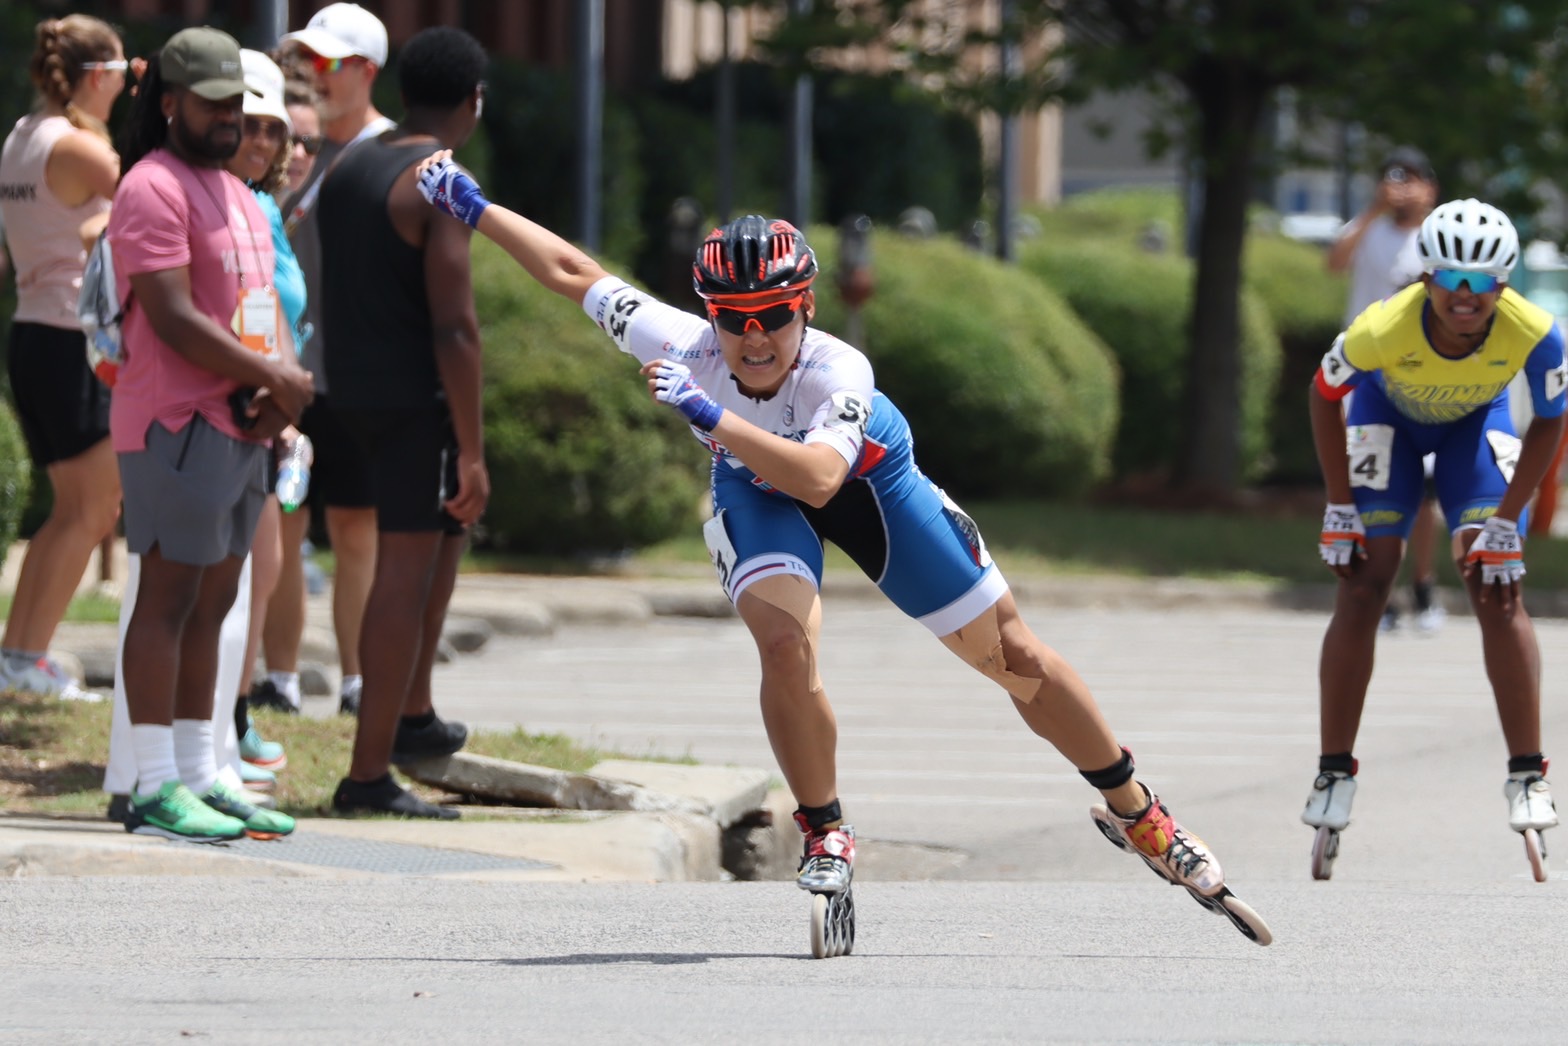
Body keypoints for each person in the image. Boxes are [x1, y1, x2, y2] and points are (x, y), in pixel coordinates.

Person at [410, 158, 1272, 943]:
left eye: (775, 317)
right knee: (785, 645)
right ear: (711, 315)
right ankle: (826, 831)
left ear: (805, 308)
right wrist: (475, 205)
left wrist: (713, 417)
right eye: (735, 320)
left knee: (1015, 657)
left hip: (866, 484)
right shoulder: (683, 346)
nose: (755, 338)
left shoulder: (837, 371)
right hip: (754, 486)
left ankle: (1140, 813)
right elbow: (576, 274)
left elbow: (822, 479)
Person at [1307, 198, 1564, 875]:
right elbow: (1323, 394)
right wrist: (1339, 507)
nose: (1465, 296)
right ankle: (1335, 771)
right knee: (1366, 581)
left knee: (1496, 583)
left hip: (1473, 431)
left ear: (1502, 286)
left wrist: (1508, 518)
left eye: (1482, 284)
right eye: (1452, 279)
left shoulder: (1538, 332)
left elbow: (1550, 420)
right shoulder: (1382, 326)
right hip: (1385, 420)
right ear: (1426, 278)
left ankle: (1528, 773)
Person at [107, 26, 311, 841]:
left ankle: (201, 770)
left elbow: (265, 305)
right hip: (174, 422)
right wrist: (274, 380)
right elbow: (172, 314)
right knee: (167, 600)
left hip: (242, 425)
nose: (230, 118)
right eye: (213, 103)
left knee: (217, 600)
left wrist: (285, 387)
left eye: (239, 103)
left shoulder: (237, 191)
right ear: (170, 104)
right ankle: (154, 785)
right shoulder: (150, 187)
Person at [322, 27, 486, 820]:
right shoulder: (439, 178)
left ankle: (412, 715)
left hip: (343, 395)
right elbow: (455, 325)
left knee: (437, 545)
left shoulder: (352, 162)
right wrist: (475, 449)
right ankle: (367, 775)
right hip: (410, 407)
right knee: (402, 577)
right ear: (472, 103)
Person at [265, 2, 395, 717]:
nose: (313, 75)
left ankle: (357, 682)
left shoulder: (397, 152)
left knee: (356, 531)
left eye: (328, 62)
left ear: (366, 71)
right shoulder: (282, 142)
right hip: (287, 376)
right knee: (281, 524)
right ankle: (279, 679)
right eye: (306, 60)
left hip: (365, 384)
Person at [0, 15, 127, 699]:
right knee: (94, 507)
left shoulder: (22, 137)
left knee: (74, 508)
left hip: (34, 336)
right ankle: (23, 658)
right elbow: (149, 194)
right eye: (122, 76)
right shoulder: (79, 147)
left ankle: (19, 657)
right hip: (70, 340)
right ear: (98, 76)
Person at [1327, 146, 1445, 634]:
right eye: (1395, 178)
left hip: (1423, 375)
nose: (1403, 188)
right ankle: (1384, 592)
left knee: (1423, 494)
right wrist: (1374, 207)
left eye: (1414, 179)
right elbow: (1334, 263)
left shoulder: (1437, 236)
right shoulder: (1369, 227)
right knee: (1374, 485)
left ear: (1432, 188)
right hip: (1367, 374)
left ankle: (1424, 583)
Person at [256, 78, 324, 716]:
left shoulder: (273, 213)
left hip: (284, 410)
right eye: (280, 132)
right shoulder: (249, 206)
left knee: (279, 547)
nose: (294, 149)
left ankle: (265, 691)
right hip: (243, 409)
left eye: (306, 138)